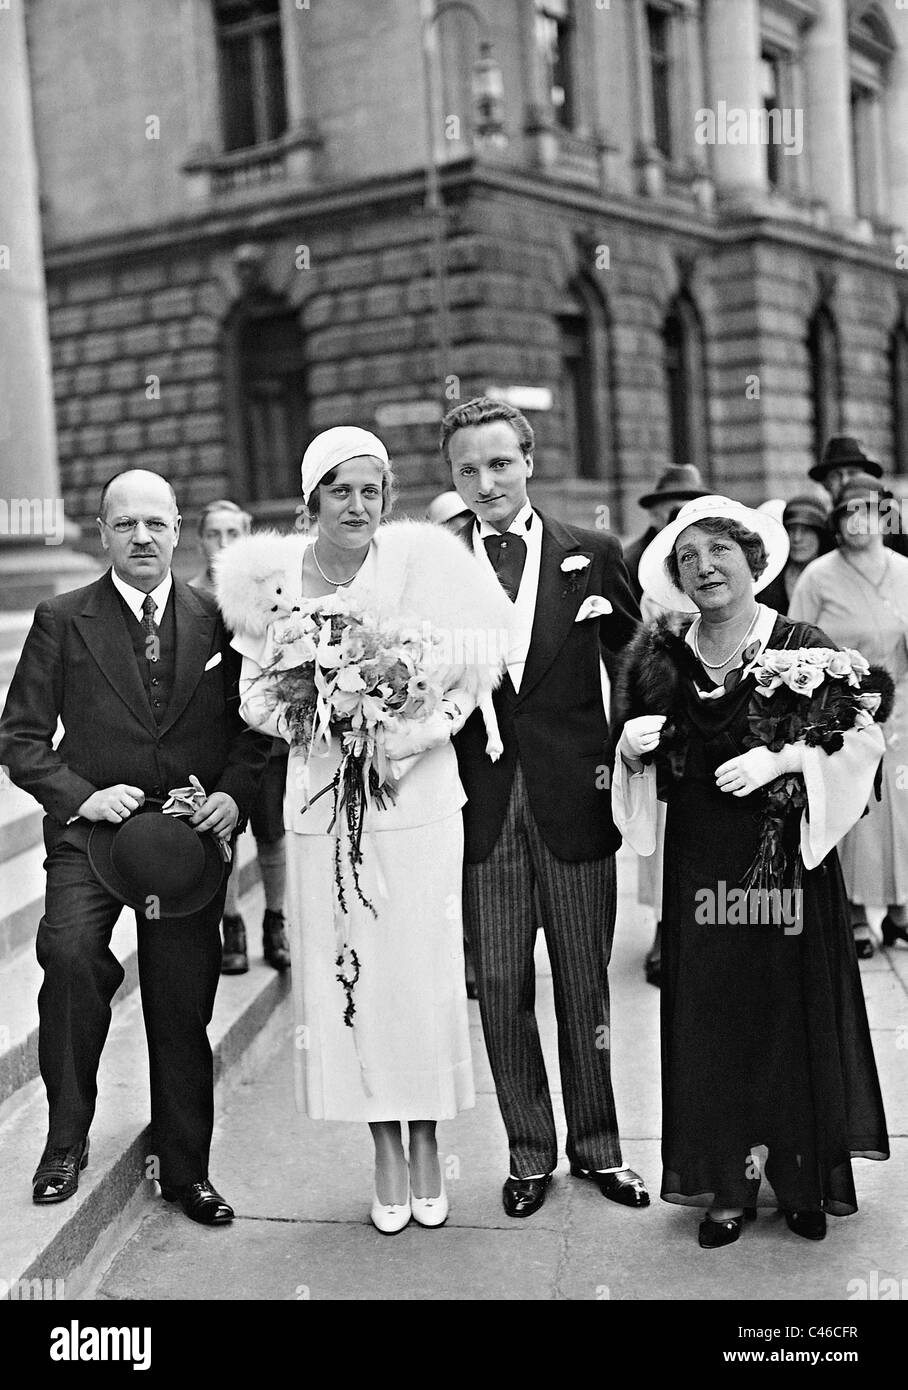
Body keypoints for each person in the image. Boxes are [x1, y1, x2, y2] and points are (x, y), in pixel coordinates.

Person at [217, 426, 512, 1234]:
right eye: (341, 490)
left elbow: (471, 674)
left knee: (420, 975)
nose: (358, 505)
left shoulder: (424, 562)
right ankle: (385, 1146)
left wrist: (405, 737)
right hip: (323, 805)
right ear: (312, 497)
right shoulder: (274, 581)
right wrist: (324, 718)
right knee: (353, 980)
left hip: (416, 806)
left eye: (372, 490)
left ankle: (429, 1140)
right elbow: (252, 697)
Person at [612, 494, 889, 1248]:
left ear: (752, 559)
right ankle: (727, 1186)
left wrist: (788, 755)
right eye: (688, 558)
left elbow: (864, 742)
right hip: (704, 860)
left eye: (718, 550)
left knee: (786, 1010)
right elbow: (641, 760)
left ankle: (799, 1177)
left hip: (784, 865)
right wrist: (631, 752)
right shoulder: (662, 657)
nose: (705, 567)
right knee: (716, 1014)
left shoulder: (799, 642)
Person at [0, 470, 270, 1223]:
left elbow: (256, 730)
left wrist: (229, 797)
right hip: (91, 835)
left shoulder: (220, 618)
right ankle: (65, 1139)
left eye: (155, 522)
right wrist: (81, 795)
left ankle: (187, 1171)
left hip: (185, 839)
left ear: (178, 528)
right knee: (70, 953)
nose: (142, 537)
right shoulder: (62, 619)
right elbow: (19, 739)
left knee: (181, 1001)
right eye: (125, 525)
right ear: (102, 532)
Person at [442, 395, 648, 1220]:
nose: (486, 481)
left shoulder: (590, 553)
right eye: (468, 469)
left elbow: (637, 665)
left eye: (499, 463)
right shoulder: (434, 560)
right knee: (497, 982)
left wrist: (638, 748)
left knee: (584, 984)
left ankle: (599, 1150)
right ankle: (529, 1152)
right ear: (452, 477)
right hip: (479, 804)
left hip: (575, 798)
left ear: (528, 459)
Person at [790, 473, 908, 958]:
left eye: (868, 509)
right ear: (836, 520)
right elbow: (793, 641)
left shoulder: (904, 569)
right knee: (857, 810)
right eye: (848, 511)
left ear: (886, 513)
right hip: (841, 712)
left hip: (902, 710)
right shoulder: (819, 575)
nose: (859, 520)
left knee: (900, 811)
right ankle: (855, 914)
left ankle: (901, 911)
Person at [191, 499, 290, 973]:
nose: (225, 543)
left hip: (263, 734)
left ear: (247, 534)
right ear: (200, 540)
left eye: (234, 533)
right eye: (215, 534)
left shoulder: (266, 591)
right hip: (213, 738)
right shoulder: (191, 597)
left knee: (271, 832)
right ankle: (232, 924)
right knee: (221, 833)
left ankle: (276, 920)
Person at [622, 465, 709, 604]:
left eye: (692, 511)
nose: (684, 519)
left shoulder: (711, 555)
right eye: (675, 512)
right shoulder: (631, 563)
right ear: (654, 515)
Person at [758, 493, 832, 616]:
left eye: (806, 531)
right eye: (791, 530)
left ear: (820, 535)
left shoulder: (835, 576)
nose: (797, 538)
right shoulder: (769, 579)